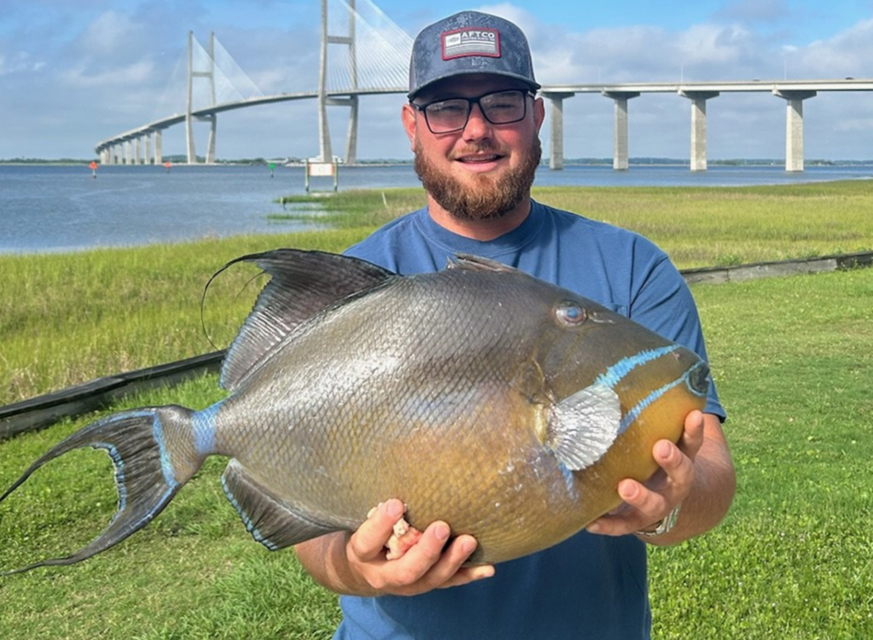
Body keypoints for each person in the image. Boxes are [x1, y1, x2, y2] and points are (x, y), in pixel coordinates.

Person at [294, 10, 735, 639]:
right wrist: (359, 568)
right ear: (411, 125)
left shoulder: (632, 268)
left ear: (537, 116)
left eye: (501, 102)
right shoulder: (357, 281)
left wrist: (668, 509)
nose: (475, 130)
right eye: (446, 107)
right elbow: (309, 532)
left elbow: (711, 466)